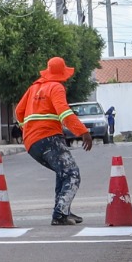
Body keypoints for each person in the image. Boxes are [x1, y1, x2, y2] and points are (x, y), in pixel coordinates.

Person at [16, 56, 92, 225]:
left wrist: (27, 129)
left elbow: (19, 111)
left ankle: (63, 210)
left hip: (32, 143)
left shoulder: (34, 88)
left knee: (62, 172)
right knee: (72, 174)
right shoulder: (56, 87)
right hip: (49, 138)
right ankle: (60, 215)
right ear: (62, 74)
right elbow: (64, 113)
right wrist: (83, 132)